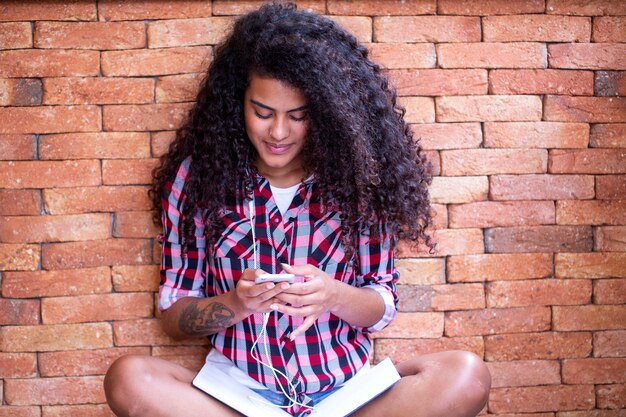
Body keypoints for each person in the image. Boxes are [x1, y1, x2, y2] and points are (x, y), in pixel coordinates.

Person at [104, 3, 491, 416]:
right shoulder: (198, 178)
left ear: (325, 114)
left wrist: (333, 295)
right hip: (237, 398)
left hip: (346, 397)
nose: (278, 132)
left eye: (298, 116)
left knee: (466, 375)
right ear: (238, 103)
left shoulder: (358, 176)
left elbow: (382, 305)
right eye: (263, 112)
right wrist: (238, 303)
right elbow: (173, 316)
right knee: (129, 379)